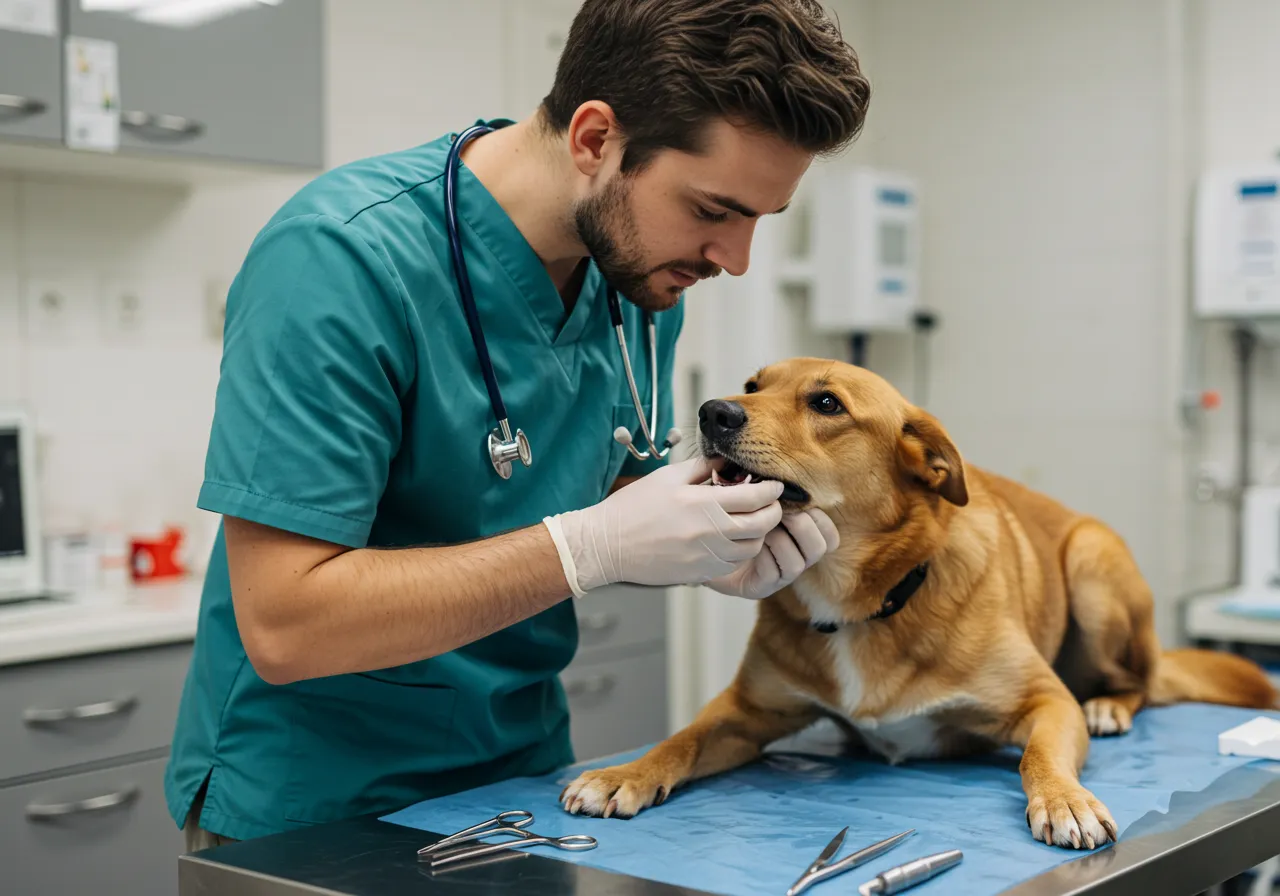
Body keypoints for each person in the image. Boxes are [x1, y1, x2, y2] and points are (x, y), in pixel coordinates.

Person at [166, 0, 872, 848]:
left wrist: (712, 543)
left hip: (522, 779)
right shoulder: (341, 258)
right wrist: (589, 549)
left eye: (760, 219)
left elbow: (606, 487)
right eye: (714, 210)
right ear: (594, 139)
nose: (735, 258)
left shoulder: (638, 284)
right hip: (317, 801)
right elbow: (286, 624)